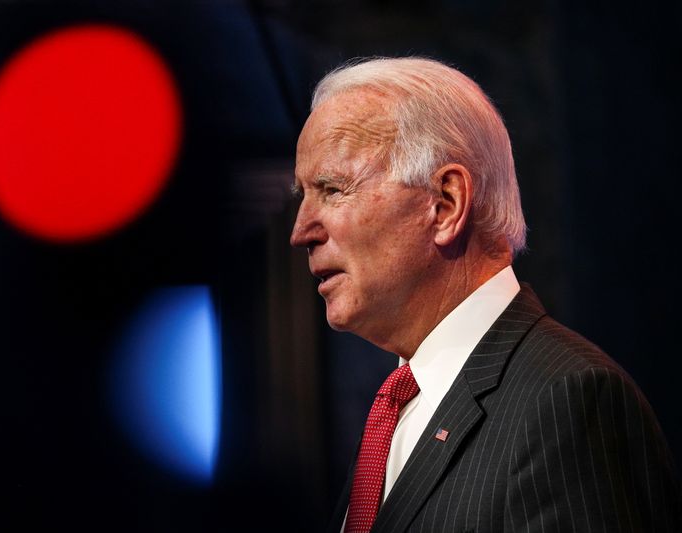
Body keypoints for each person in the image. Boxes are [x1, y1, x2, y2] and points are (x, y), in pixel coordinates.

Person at [289, 57, 680, 533]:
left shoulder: (567, 401)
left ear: (445, 204)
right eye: (303, 196)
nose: (300, 231)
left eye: (332, 189)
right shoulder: (396, 408)